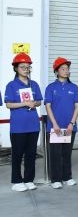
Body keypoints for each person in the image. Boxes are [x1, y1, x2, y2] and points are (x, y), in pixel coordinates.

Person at [5, 53, 42, 192]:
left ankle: (28, 180)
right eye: (23, 67)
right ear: (16, 68)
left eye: (28, 67)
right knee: (17, 154)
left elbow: (39, 101)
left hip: (33, 125)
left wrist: (34, 103)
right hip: (18, 127)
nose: (26, 69)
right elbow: (8, 104)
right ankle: (16, 181)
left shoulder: (34, 84)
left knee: (31, 154)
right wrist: (24, 103)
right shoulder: (11, 85)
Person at [44, 57, 78, 189]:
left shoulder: (74, 87)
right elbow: (48, 106)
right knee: (55, 154)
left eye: (67, 69)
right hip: (56, 127)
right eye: (63, 69)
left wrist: (72, 123)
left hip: (69, 126)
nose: (66, 71)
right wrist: (54, 124)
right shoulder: (51, 87)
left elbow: (77, 106)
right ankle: (56, 179)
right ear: (56, 71)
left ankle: (67, 177)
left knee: (66, 153)